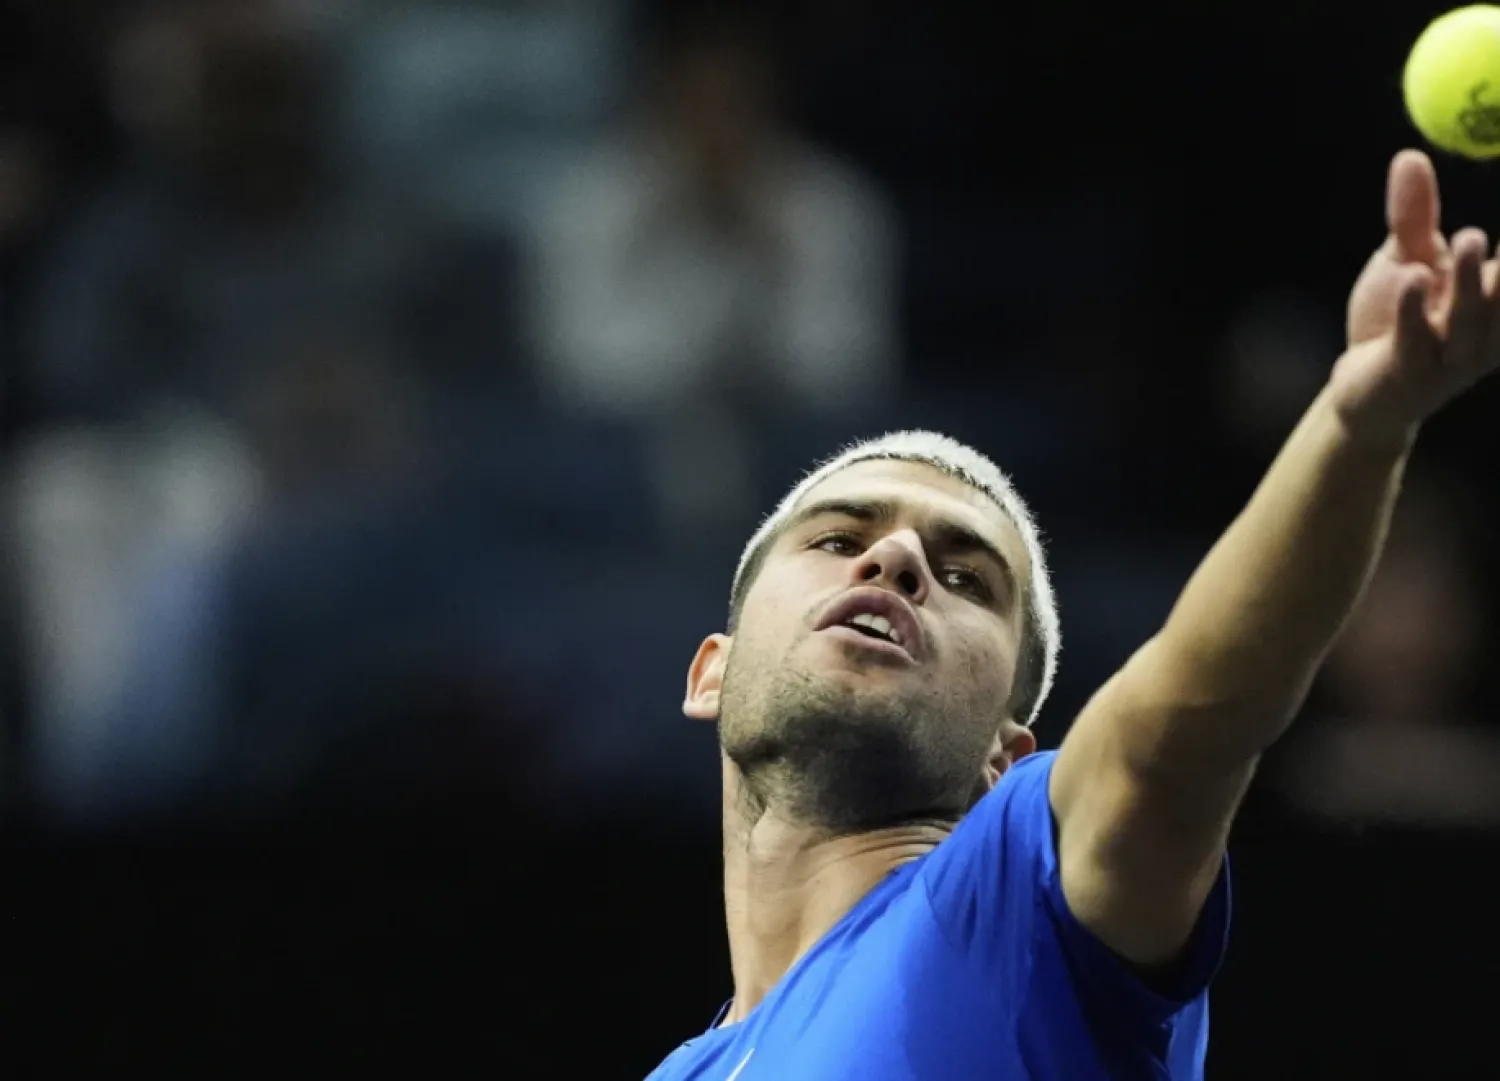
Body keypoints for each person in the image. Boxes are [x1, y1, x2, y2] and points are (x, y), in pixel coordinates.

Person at [644, 148, 1500, 1080]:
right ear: (711, 671)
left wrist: (1358, 426)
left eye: (967, 577)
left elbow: (1176, 737)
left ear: (1006, 756)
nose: (893, 559)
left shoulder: (1017, 896)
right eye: (838, 539)